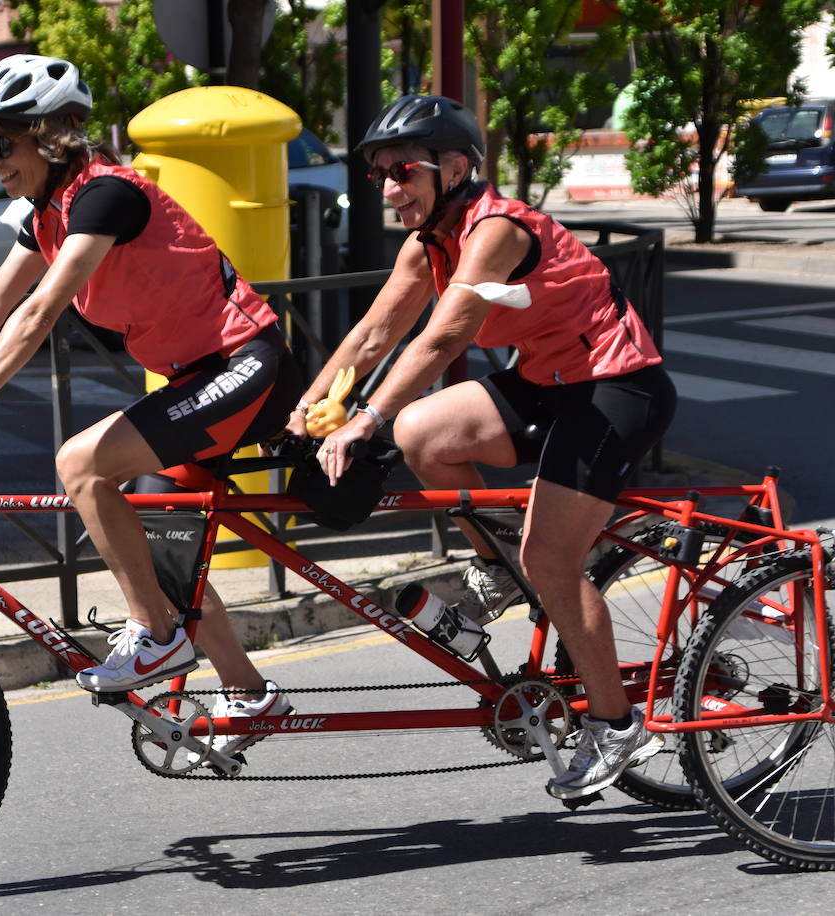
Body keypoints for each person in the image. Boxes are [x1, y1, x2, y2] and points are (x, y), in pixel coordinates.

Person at [0, 55, 304, 757]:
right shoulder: (47, 213)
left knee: (80, 464)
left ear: (48, 136)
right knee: (164, 552)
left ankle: (158, 640)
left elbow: (40, 311)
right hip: (194, 379)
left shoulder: (105, 197)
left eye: (1, 143)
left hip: (242, 366)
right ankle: (250, 693)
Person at [288, 95, 677, 800]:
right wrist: (312, 403)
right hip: (545, 380)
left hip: (617, 387)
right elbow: (373, 336)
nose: (389, 189)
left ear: (457, 167)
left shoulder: (494, 230)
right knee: (422, 435)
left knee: (551, 558)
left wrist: (363, 419)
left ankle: (619, 728)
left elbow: (442, 338)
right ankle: (506, 566)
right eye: (380, 174)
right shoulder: (428, 242)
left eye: (403, 171)